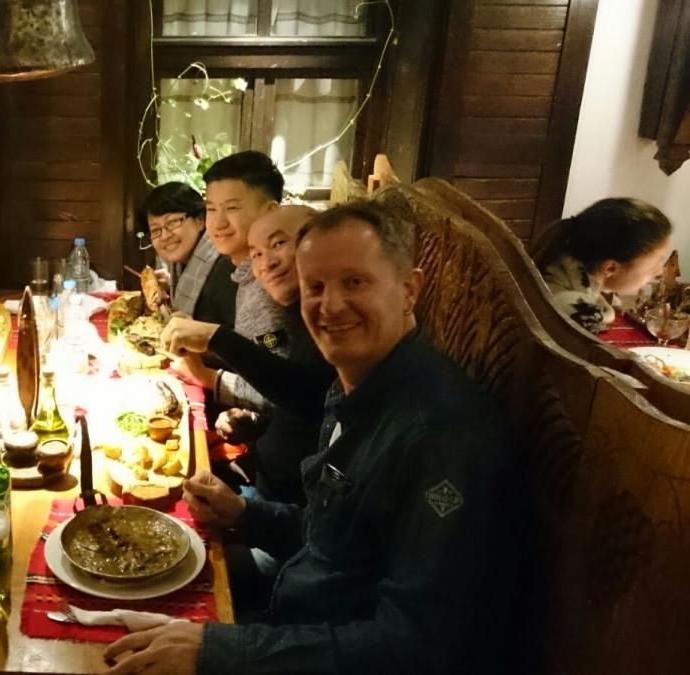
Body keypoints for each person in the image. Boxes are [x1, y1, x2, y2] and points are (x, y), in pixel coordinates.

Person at [108, 203, 522, 674]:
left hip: (324, 644)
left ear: (409, 290)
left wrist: (220, 652)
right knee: (122, 590)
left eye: (355, 282)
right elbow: (337, 536)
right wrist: (245, 513)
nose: (330, 306)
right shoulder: (355, 382)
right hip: (294, 611)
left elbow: (415, 644)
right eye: (316, 287)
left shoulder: (443, 437)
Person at [162, 205, 333, 505]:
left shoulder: (331, 322)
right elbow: (298, 399)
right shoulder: (308, 317)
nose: (266, 263)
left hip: (287, 507)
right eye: (255, 254)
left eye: (279, 243)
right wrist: (256, 421)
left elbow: (311, 396)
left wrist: (216, 339)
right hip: (263, 481)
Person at [174, 151, 289, 412]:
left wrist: (205, 377)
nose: (217, 222)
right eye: (211, 209)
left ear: (270, 212)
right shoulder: (244, 271)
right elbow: (252, 354)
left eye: (232, 208)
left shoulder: (268, 286)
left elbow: (281, 391)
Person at [532, 197, 673, 332]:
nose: (659, 272)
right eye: (654, 265)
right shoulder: (573, 311)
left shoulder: (560, 266)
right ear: (610, 268)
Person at [141, 181, 237, 326]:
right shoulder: (179, 266)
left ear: (200, 220)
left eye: (173, 222)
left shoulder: (227, 268)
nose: (165, 236)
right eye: (155, 230)